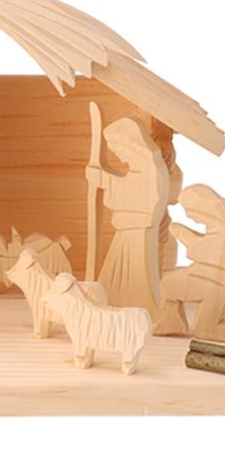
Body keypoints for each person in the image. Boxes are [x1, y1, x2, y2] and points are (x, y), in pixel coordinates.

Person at [86, 118, 168, 320]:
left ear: (130, 146)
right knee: (115, 275)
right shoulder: (144, 169)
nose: (118, 155)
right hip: (127, 233)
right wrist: (103, 178)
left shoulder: (151, 171)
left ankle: (141, 307)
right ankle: (111, 301)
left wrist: (103, 179)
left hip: (137, 234)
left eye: (118, 149)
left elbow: (138, 196)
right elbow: (127, 188)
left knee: (137, 273)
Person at [156, 185, 225, 341]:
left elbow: (201, 251)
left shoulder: (222, 231)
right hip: (207, 277)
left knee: (207, 329)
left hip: (213, 283)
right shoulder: (221, 227)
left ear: (202, 210)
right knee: (166, 283)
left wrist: (181, 233)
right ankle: (172, 323)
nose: (188, 216)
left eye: (189, 210)